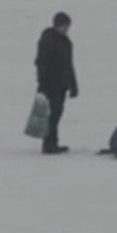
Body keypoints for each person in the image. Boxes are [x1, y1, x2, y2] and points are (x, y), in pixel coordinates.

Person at [34, 11, 78, 153]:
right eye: (64, 26)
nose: (66, 29)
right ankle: (48, 145)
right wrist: (43, 82)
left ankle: (53, 142)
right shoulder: (48, 40)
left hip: (61, 85)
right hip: (49, 85)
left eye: (67, 26)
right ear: (57, 25)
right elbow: (41, 63)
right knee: (50, 115)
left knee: (57, 114)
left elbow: (68, 65)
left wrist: (73, 85)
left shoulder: (66, 42)